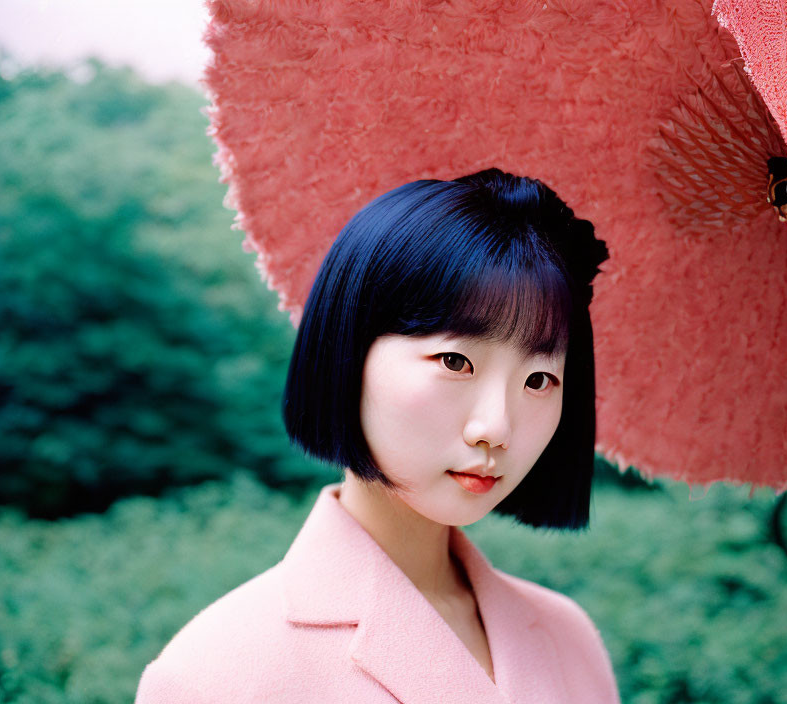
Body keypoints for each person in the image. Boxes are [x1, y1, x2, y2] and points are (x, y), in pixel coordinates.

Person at [135, 168, 620, 703]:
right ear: (348, 349)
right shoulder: (216, 674)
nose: (496, 429)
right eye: (455, 360)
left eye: (538, 380)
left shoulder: (567, 634)